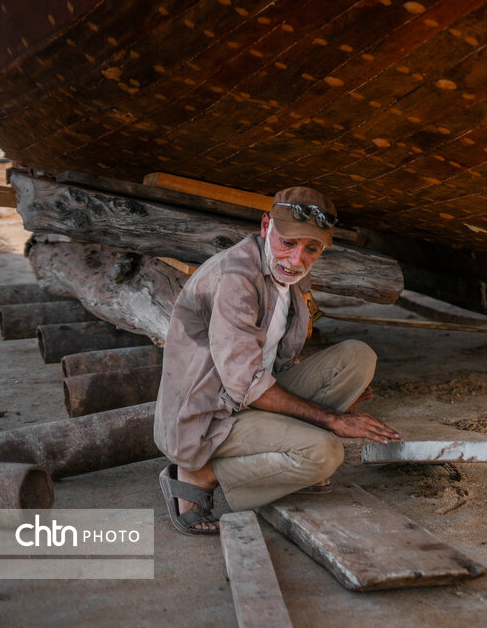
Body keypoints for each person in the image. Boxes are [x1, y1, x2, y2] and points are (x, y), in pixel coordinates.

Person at [155, 186, 400, 536]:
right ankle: (199, 474)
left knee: (357, 358)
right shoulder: (236, 277)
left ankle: (282, 456)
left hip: (252, 394)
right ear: (266, 226)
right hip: (208, 415)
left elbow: (278, 361)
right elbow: (245, 384)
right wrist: (332, 418)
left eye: (311, 249)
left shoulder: (292, 274)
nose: (297, 260)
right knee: (326, 453)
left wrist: (334, 397)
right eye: (289, 243)